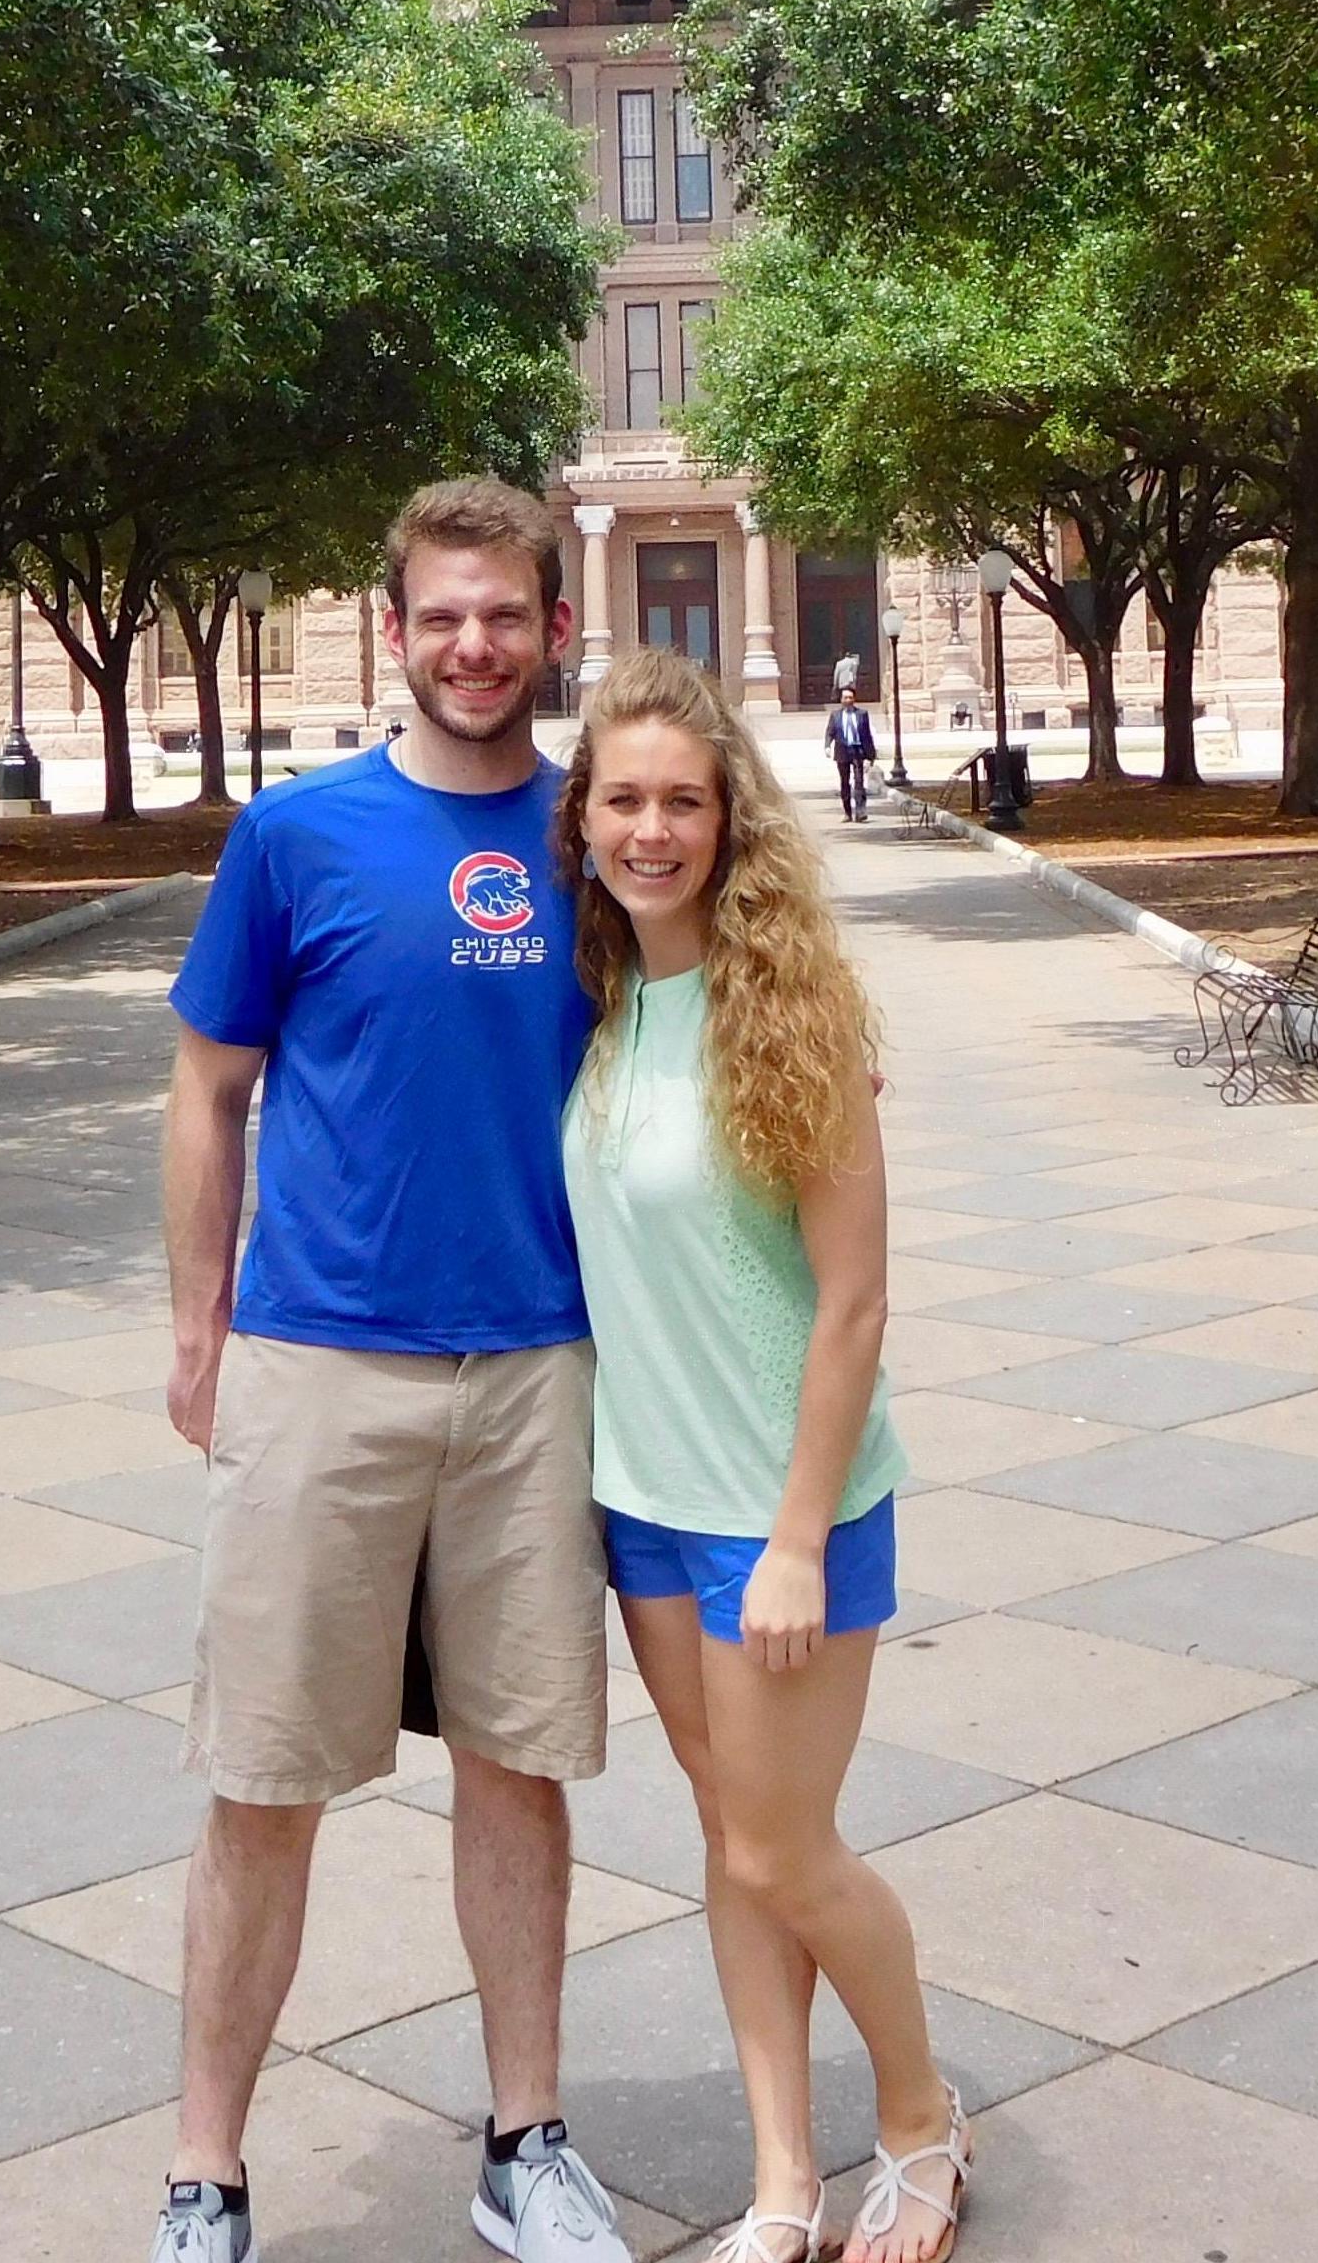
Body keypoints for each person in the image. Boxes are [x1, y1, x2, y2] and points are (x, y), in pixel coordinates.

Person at [152, 479, 636, 2263]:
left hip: (533, 1370)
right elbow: (208, 1089)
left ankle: (528, 2139)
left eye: (506, 614)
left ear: (555, 630)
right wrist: (200, 1328)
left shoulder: (606, 841)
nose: (474, 644)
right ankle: (206, 2171)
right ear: (394, 629)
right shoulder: (298, 838)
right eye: (442, 615)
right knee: (263, 1778)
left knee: (520, 1767)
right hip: (321, 1365)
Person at [554, 649, 972, 2263]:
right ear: (580, 814)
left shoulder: (786, 1011)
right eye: (623, 797)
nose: (650, 827)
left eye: (682, 799)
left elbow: (856, 1302)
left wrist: (797, 1535)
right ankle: (782, 2180)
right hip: (640, 1504)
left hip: (779, 1512)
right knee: (730, 1838)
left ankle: (924, 2123)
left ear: (731, 821)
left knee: (783, 1845)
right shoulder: (595, 1005)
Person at [824, 682, 878, 822]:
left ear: (854, 699)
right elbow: (830, 732)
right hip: (842, 751)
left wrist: (870, 757)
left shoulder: (862, 714)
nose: (848, 700)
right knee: (845, 782)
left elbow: (867, 736)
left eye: (850, 697)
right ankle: (847, 812)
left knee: (859, 782)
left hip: (858, 750)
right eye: (845, 698)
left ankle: (860, 812)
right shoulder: (835, 715)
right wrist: (827, 746)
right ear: (841, 700)